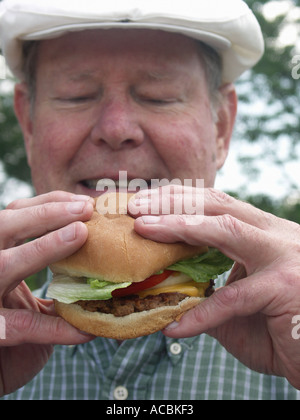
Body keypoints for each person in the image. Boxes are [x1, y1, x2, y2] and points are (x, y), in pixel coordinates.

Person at [0, 0, 300, 400]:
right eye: (77, 95)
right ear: (30, 125)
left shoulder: (287, 332)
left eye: (159, 96)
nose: (117, 128)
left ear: (221, 128)